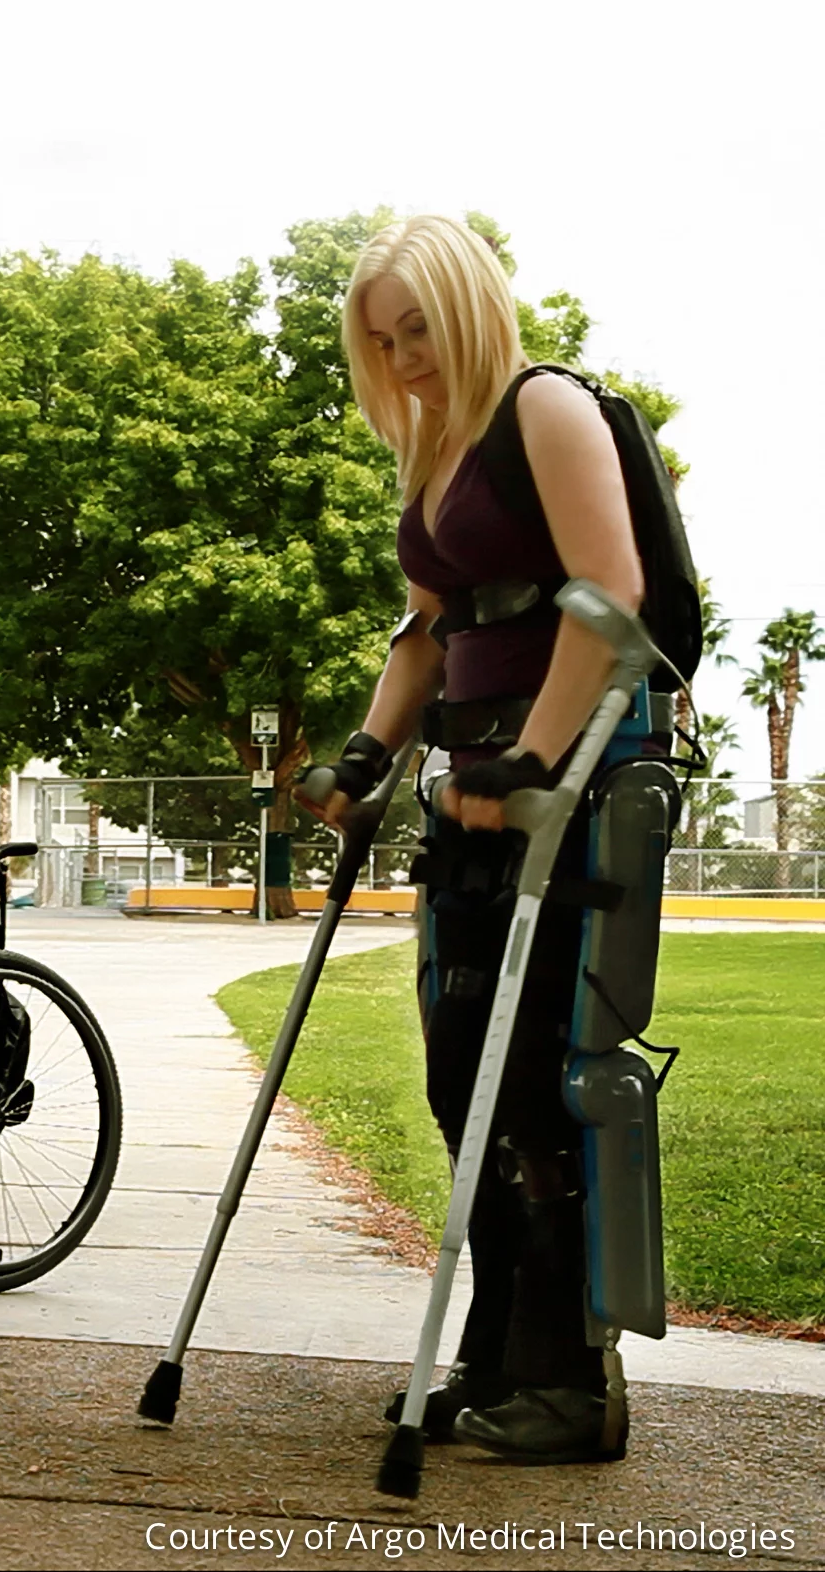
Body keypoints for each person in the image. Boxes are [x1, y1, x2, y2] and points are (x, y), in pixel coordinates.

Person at [303, 214, 646, 1465]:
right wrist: (367, 754)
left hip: (565, 783)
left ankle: (566, 1384)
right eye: (381, 342)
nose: (401, 361)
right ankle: (498, 1358)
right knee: (465, 1079)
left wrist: (535, 760)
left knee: (532, 1081)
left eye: (419, 330)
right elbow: (428, 635)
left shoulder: (544, 410)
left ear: (470, 306)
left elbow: (610, 600)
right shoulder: (432, 452)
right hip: (475, 794)